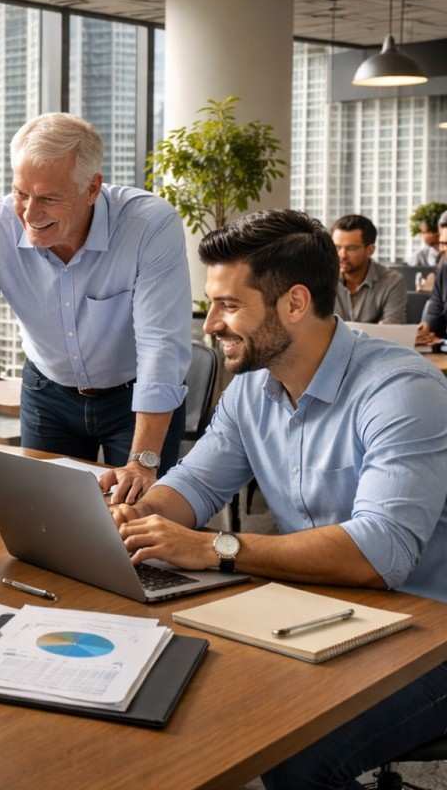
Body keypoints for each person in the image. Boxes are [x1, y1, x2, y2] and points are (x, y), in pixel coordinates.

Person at [110, 209, 447, 789]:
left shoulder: (400, 390)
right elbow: (194, 485)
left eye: (229, 305)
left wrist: (213, 548)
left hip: (429, 633)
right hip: (318, 613)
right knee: (171, 693)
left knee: (293, 754)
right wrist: (137, 517)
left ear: (294, 303)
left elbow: (380, 554)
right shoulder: (250, 390)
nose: (211, 325)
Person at [0, 112, 190, 505]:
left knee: (140, 517)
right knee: (41, 516)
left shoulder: (149, 224)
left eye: (49, 198)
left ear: (92, 188)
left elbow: (160, 345)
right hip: (48, 394)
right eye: (21, 193)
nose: (30, 214)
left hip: (134, 400)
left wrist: (143, 460)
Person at [330, 214, 405, 325]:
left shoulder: (392, 281)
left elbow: (391, 328)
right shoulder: (323, 277)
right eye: (337, 247)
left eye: (351, 248)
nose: (342, 255)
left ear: (370, 250)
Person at [416, 209, 447, 346]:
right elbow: (435, 309)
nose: (442, 249)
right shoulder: (444, 270)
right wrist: (424, 331)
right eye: (442, 243)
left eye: (446, 244)